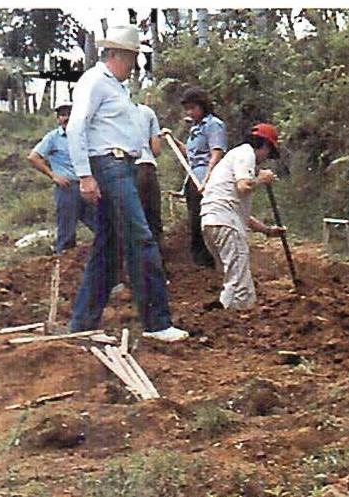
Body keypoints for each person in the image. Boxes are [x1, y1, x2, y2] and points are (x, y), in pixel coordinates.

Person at [65, 25, 188, 342]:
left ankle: (82, 324)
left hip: (123, 166)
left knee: (108, 247)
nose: (134, 64)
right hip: (109, 165)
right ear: (117, 54)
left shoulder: (118, 88)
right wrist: (85, 175)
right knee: (141, 238)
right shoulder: (94, 82)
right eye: (132, 57)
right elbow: (76, 128)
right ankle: (157, 323)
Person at [199, 124, 287, 311]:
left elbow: (239, 213)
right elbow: (244, 187)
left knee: (233, 278)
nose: (264, 160)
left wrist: (267, 231)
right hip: (225, 224)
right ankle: (235, 323)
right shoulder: (245, 154)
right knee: (241, 288)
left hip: (211, 222)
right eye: (268, 153)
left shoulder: (233, 158)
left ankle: (224, 313)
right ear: (264, 146)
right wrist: (262, 180)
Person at [27, 101, 97, 254]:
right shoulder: (53, 138)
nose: (66, 118)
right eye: (63, 115)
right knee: (67, 232)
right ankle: (62, 266)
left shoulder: (86, 136)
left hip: (88, 186)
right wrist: (53, 175)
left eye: (69, 114)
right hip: (67, 188)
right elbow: (33, 157)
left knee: (101, 225)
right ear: (58, 118)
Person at [181, 87, 226, 267]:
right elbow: (190, 154)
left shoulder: (213, 124)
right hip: (192, 178)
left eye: (193, 108)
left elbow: (216, 153)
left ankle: (209, 261)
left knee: (205, 220)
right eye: (187, 109)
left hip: (207, 179)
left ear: (202, 106)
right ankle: (199, 260)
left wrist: (208, 179)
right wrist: (172, 140)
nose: (190, 113)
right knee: (194, 219)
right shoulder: (195, 128)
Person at [134, 102, 163, 244]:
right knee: (152, 217)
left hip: (126, 168)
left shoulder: (110, 111)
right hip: (147, 167)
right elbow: (156, 150)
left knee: (132, 218)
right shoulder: (147, 112)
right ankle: (156, 259)